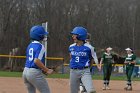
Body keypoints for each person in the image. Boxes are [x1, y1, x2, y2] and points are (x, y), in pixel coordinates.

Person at [22, 25, 53, 93]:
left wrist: (42, 69)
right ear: (40, 36)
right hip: (34, 73)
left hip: (25, 72)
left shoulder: (30, 45)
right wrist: (46, 70)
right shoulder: (40, 46)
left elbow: (31, 61)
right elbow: (36, 61)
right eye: (43, 35)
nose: (44, 36)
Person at [69, 26, 100, 93]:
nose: (72, 36)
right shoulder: (71, 47)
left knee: (91, 90)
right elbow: (71, 57)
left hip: (84, 71)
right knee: (73, 91)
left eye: (74, 35)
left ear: (80, 36)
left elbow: (92, 60)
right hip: (73, 71)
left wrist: (88, 68)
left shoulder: (89, 48)